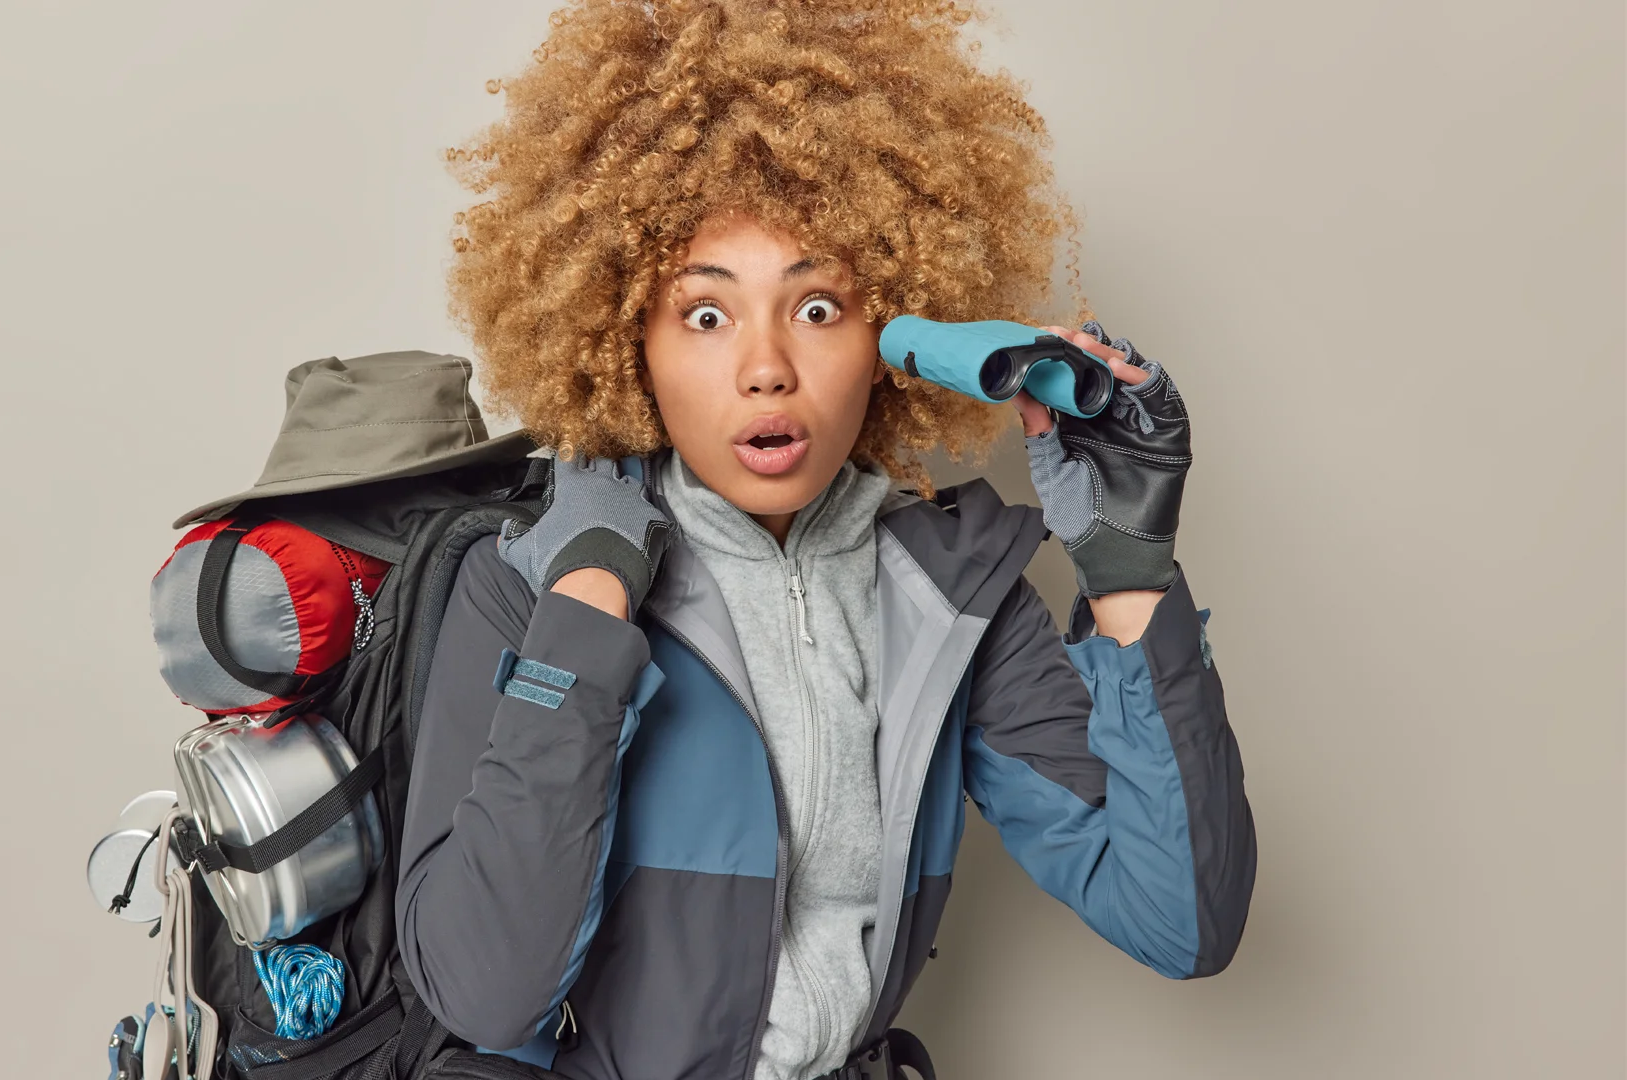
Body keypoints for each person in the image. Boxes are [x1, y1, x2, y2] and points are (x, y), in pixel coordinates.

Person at [396, 2, 1256, 1078]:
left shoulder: (953, 594)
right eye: (705, 315)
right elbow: (486, 992)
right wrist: (590, 597)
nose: (766, 366)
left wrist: (1129, 567)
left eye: (817, 307)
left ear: (892, 331)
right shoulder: (522, 588)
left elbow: (1183, 921)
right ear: (627, 343)